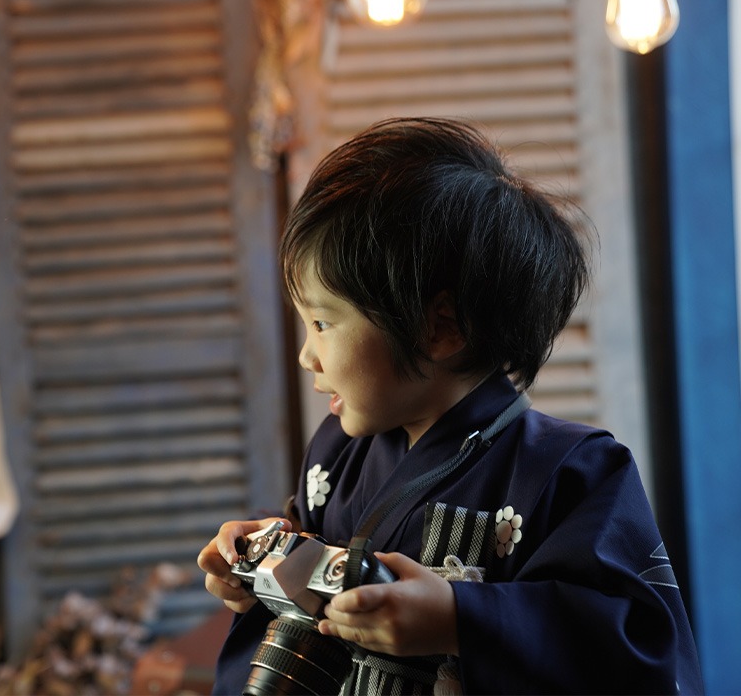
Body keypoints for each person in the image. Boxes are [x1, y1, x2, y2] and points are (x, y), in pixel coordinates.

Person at [197, 117, 704, 695]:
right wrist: (261, 562)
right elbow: (306, 584)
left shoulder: (572, 472)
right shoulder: (337, 453)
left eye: (322, 323)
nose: (306, 356)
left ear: (442, 328)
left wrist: (461, 619)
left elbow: (639, 647)